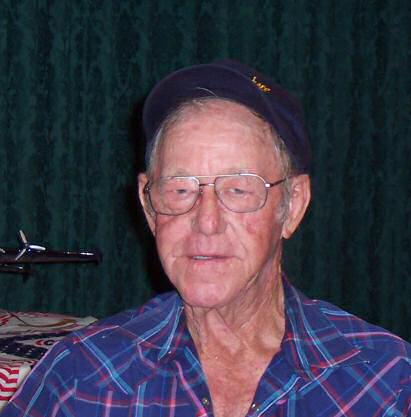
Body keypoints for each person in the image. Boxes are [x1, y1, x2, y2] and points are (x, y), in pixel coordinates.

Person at [4, 60, 410, 417]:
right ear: (149, 206)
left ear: (292, 206)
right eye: (180, 189)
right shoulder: (82, 379)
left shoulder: (385, 384)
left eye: (239, 189)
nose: (206, 222)